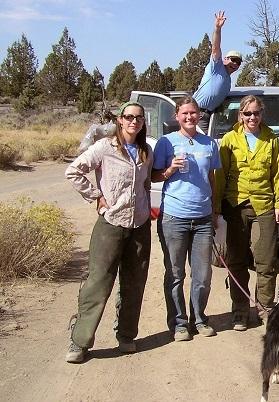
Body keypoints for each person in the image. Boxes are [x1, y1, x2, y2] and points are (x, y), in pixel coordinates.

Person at [64, 101, 153, 363]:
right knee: (98, 283)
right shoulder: (105, 147)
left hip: (139, 226)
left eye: (138, 118)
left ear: (143, 122)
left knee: (134, 284)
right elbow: (73, 171)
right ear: (120, 120)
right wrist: (96, 197)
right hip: (111, 225)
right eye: (128, 117)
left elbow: (147, 182)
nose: (133, 122)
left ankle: (126, 336)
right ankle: (80, 341)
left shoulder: (146, 151)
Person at [152, 96, 221, 341]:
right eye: (185, 114)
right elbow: (154, 177)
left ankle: (199, 318)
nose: (190, 117)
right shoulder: (166, 143)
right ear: (177, 116)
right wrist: (170, 169)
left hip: (202, 218)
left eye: (193, 113)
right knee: (175, 274)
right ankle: (179, 323)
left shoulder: (209, 144)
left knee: (202, 275)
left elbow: (212, 178)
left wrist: (213, 212)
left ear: (199, 115)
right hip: (174, 217)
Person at [215, 95, 279, 331]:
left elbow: (278, 176)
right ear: (240, 116)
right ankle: (240, 311)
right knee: (236, 261)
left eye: (256, 113)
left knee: (266, 262)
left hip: (264, 205)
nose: (252, 118)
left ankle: (265, 309)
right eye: (247, 114)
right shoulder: (229, 140)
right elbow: (220, 176)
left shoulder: (271, 140)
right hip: (235, 206)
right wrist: (216, 209)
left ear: (261, 114)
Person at [193, 10, 242, 133]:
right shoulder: (216, 67)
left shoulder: (228, 81)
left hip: (209, 117)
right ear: (225, 59)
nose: (235, 64)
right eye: (233, 60)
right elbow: (215, 47)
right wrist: (217, 28)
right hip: (196, 113)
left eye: (238, 62)